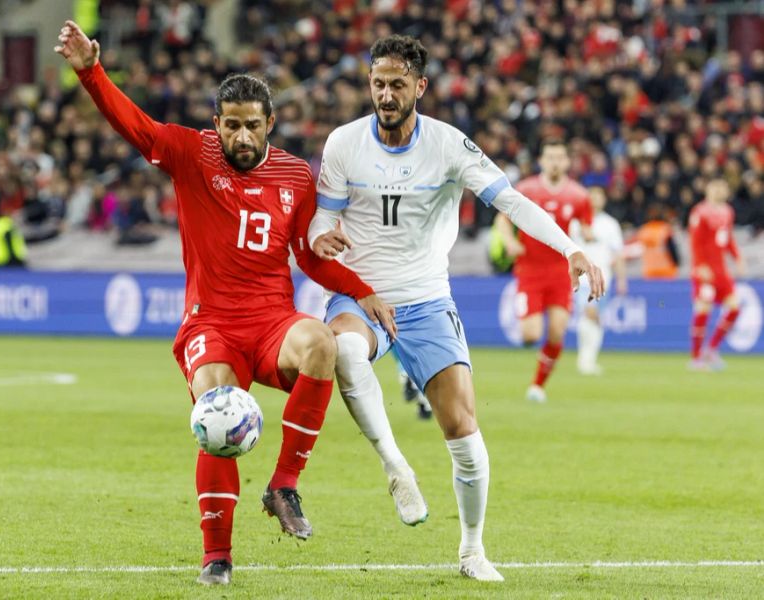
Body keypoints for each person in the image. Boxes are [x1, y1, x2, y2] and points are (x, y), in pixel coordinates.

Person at [55, 21, 395, 586]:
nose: (241, 137)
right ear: (217, 125)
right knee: (217, 407)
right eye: (231, 125)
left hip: (271, 322)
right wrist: (92, 72)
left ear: (270, 125)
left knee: (321, 344)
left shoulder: (294, 174)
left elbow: (307, 259)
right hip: (210, 322)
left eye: (251, 127)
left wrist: (360, 288)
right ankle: (217, 555)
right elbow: (135, 127)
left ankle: (285, 484)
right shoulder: (191, 152)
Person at [308, 35, 604, 582]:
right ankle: (396, 467)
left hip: (425, 298)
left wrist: (571, 248)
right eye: (378, 83)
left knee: (464, 429)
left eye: (398, 84)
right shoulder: (344, 144)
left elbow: (510, 199)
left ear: (420, 86)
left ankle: (472, 552)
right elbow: (321, 219)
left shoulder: (448, 145)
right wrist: (323, 236)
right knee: (344, 351)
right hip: (359, 294)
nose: (387, 94)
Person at [494, 140, 594, 403]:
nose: (555, 162)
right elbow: (502, 219)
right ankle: (529, 326)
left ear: (567, 162)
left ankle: (537, 386)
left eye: (560, 157)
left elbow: (587, 226)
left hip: (561, 271)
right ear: (541, 161)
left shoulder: (579, 195)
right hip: (529, 270)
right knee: (531, 335)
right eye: (550, 157)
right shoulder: (526, 189)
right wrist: (509, 241)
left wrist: (588, 236)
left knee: (558, 331)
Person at [688, 179, 746, 370]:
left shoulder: (727, 211)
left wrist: (737, 257)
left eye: (723, 187)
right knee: (703, 309)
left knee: (735, 307)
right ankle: (696, 358)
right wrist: (700, 265)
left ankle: (711, 349)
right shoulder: (700, 212)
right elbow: (695, 241)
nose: (720, 190)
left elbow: (728, 238)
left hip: (721, 270)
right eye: (716, 187)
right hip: (704, 270)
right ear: (708, 189)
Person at [570, 186, 627, 375]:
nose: (595, 199)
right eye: (592, 196)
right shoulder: (575, 223)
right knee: (590, 313)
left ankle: (589, 359)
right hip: (582, 278)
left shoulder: (610, 224)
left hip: (604, 279)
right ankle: (585, 361)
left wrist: (621, 279)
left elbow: (618, 253)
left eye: (599, 196)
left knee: (597, 318)